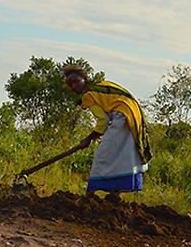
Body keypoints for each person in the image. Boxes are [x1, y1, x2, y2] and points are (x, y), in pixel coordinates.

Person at [63, 65, 152, 195]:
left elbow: (103, 121)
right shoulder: (100, 86)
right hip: (133, 115)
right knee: (124, 154)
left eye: (76, 81)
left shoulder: (88, 95)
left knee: (102, 155)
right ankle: (115, 193)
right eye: (71, 85)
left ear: (85, 79)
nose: (74, 86)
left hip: (124, 115)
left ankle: (90, 193)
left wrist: (88, 139)